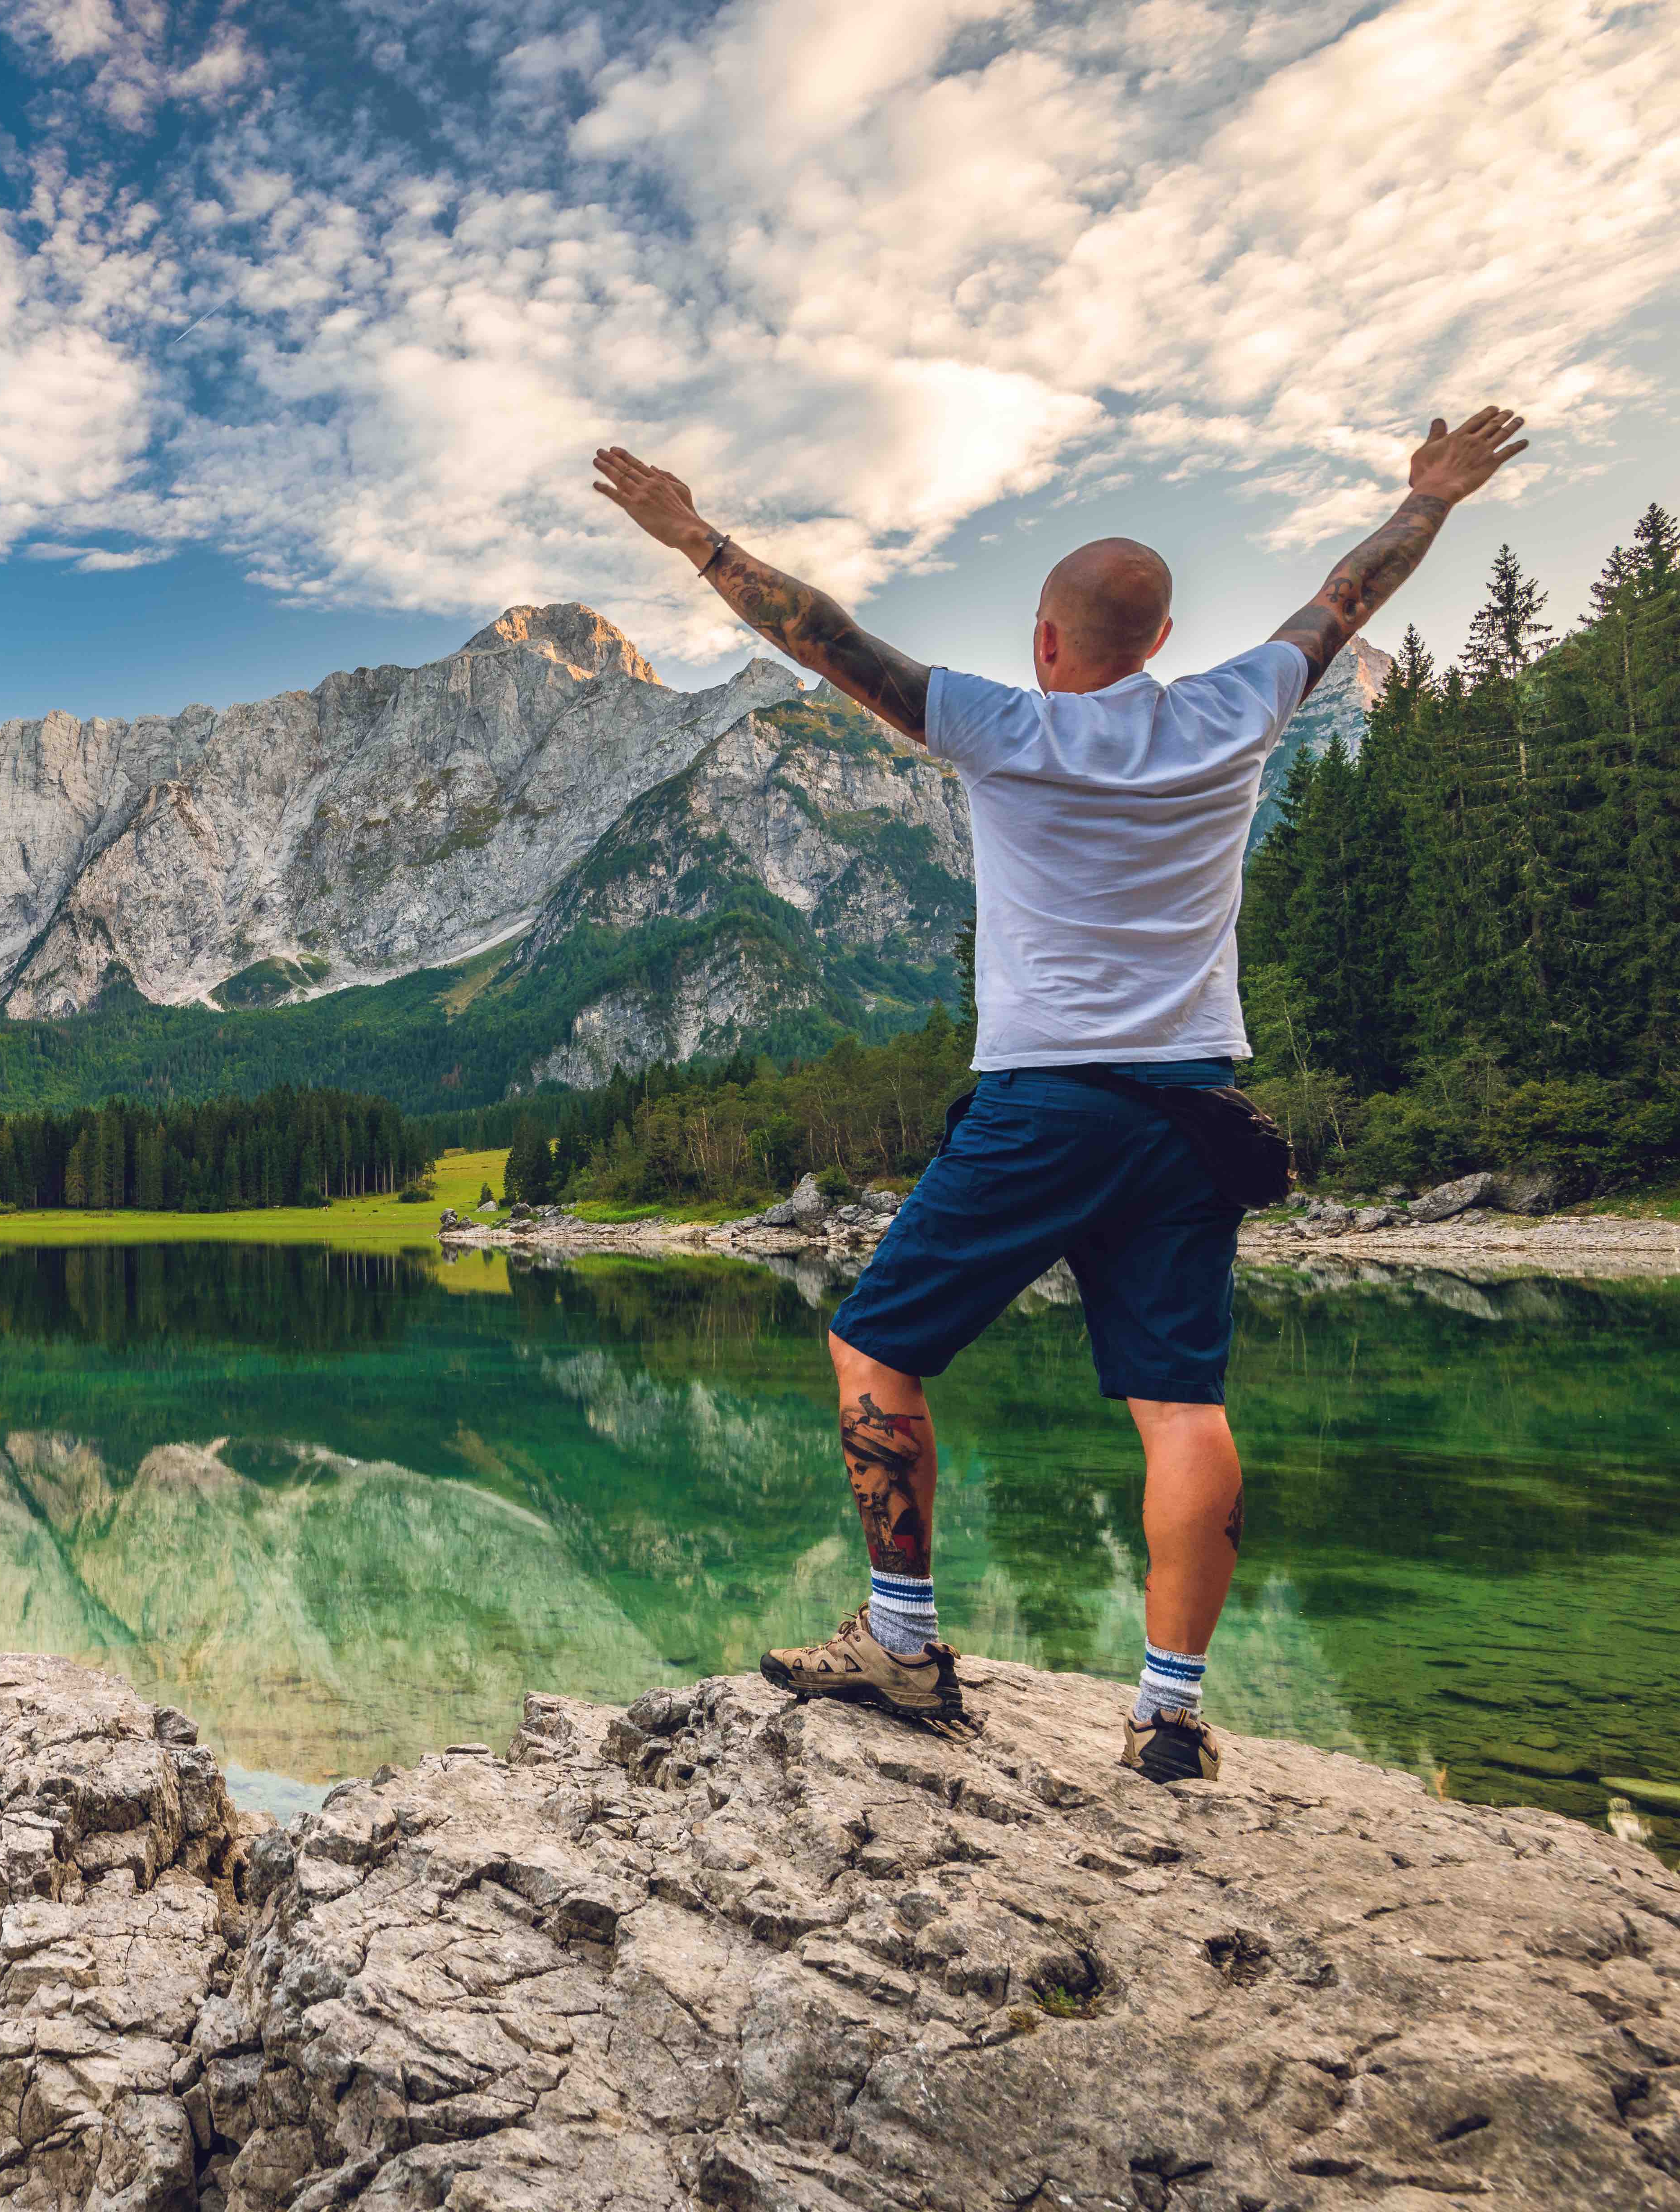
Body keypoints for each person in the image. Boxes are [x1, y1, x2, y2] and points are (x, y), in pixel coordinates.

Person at [590, 408, 1530, 1782]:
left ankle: (904, 1645)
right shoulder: (1239, 707)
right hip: (1191, 1113)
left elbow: (823, 635)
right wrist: (1432, 499)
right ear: (1157, 644)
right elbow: (1346, 596)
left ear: (1047, 644)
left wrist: (692, 539)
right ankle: (1170, 1714)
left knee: (875, 1350)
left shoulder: (1002, 726)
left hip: (1045, 1106)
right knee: (1182, 1407)